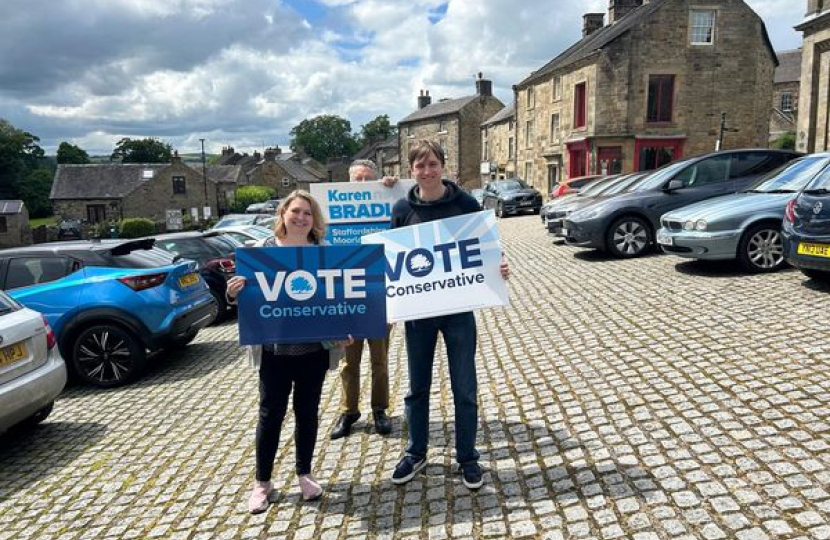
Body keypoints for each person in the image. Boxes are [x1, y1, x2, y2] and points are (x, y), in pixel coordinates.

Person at [389, 140, 509, 490]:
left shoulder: (465, 204)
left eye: (432, 164)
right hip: (418, 314)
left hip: (458, 312)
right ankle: (416, 451)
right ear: (411, 170)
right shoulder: (401, 209)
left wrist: (498, 265)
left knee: (464, 386)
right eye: (420, 166)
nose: (427, 172)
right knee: (417, 387)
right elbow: (393, 264)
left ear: (443, 166)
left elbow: (487, 250)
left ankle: (467, 456)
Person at [226, 190, 352, 514]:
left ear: (315, 220)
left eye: (307, 214)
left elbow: (339, 298)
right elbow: (245, 299)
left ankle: (304, 473)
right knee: (270, 416)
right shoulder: (261, 252)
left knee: (307, 414)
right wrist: (233, 292)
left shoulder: (323, 253)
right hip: (273, 352)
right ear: (282, 214)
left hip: (313, 351)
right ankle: (262, 483)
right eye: (295, 211)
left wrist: (345, 329)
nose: (300, 218)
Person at [331, 159, 396, 439]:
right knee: (348, 363)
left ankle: (380, 409)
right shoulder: (332, 211)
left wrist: (392, 190)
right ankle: (349, 411)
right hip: (346, 299)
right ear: (348, 182)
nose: (362, 184)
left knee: (380, 361)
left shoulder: (387, 207)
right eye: (357, 179)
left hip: (379, 298)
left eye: (368, 179)